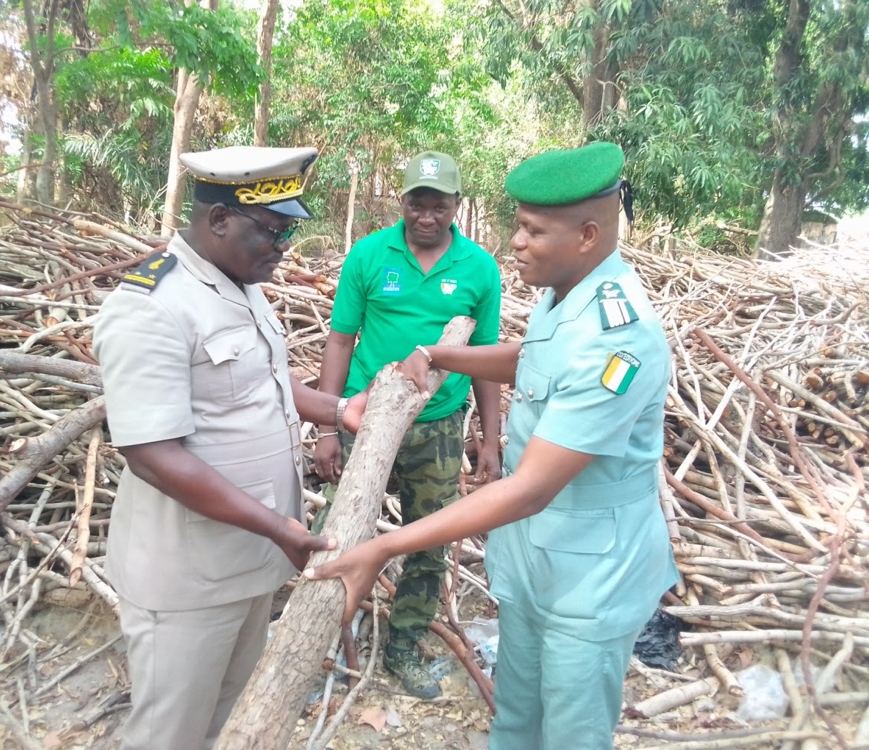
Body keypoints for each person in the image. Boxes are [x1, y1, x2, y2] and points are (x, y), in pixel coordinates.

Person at [306, 142, 679, 749]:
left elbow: (530, 488)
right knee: (515, 720)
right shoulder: (568, 292)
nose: (516, 242)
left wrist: (385, 546)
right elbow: (534, 359)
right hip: (540, 560)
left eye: (532, 230)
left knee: (570, 733)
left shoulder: (620, 340)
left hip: (590, 574)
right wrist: (436, 352)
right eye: (517, 225)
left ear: (587, 234)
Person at [92, 146, 366, 750]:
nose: (281, 249)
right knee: (171, 731)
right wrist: (279, 527)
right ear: (218, 221)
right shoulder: (151, 306)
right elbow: (152, 455)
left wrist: (342, 409)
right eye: (271, 232)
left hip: (249, 560)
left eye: (287, 233)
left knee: (229, 711)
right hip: (188, 577)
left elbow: (266, 382)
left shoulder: (238, 283)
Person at [312, 150, 503, 698]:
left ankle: (404, 644)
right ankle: (320, 639)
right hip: (366, 421)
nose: (426, 215)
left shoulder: (478, 268)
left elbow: (486, 357)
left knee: (431, 539)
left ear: (456, 207)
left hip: (439, 425)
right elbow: (341, 340)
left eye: (438, 205)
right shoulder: (371, 254)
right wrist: (328, 426)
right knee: (339, 530)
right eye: (417, 203)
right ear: (403, 203)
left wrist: (488, 438)